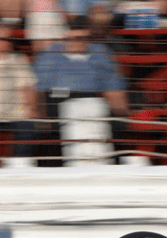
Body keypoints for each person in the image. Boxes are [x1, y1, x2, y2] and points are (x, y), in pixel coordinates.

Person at [33, 15, 129, 164]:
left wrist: (120, 108)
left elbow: (112, 84)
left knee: (116, 124)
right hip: (58, 97)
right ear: (65, 38)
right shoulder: (50, 55)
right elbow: (38, 89)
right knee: (50, 128)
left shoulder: (100, 52)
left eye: (84, 38)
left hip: (92, 99)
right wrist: (39, 114)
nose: (79, 43)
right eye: (74, 38)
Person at [0, 21, 38, 161]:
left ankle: (19, 166)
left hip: (16, 111)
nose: (5, 42)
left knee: (27, 129)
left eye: (8, 39)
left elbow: (28, 86)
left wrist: (31, 108)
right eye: (2, 39)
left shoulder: (19, 60)